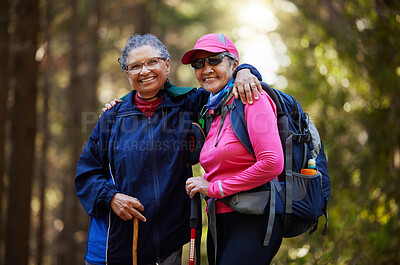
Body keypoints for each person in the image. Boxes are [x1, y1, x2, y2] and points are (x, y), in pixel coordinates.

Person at [75, 33, 263, 265]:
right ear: (127, 73)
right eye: (135, 66)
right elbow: (87, 173)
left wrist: (244, 70)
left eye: (152, 62)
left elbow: (221, 79)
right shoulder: (112, 117)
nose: (144, 71)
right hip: (115, 246)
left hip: (168, 246)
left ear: (167, 64)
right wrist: (111, 197)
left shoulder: (190, 103)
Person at [183, 33, 285, 264]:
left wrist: (215, 188)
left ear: (234, 65)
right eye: (199, 64)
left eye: (215, 60)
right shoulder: (211, 108)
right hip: (219, 220)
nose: (206, 68)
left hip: (254, 217)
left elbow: (272, 163)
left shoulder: (251, 98)